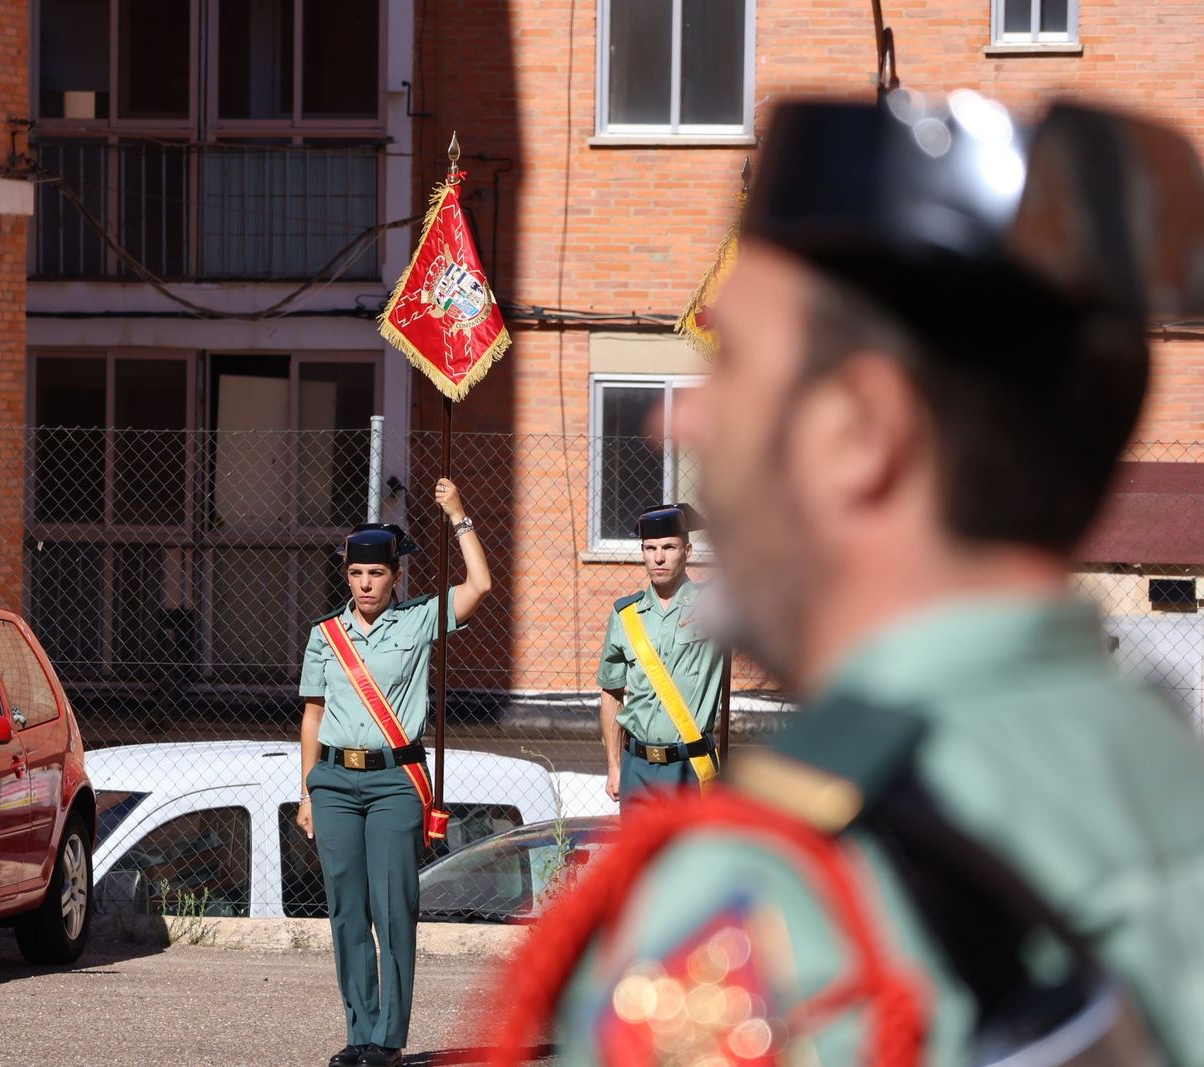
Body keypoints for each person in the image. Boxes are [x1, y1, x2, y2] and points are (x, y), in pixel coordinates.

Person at [483, 91, 1204, 1065]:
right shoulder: (1158, 774)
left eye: (731, 360)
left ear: (859, 433)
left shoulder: (771, 900)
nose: (674, 423)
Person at [296, 479, 491, 1067]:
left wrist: (458, 515)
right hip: (332, 781)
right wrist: (306, 790)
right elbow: (312, 717)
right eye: (356, 574)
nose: (365, 584)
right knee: (346, 908)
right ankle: (359, 1034)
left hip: (393, 784)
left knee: (392, 908)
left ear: (394, 576)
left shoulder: (417, 621)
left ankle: (388, 1038)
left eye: (376, 574)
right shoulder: (325, 635)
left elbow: (480, 585)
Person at [597, 503, 724, 802]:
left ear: (688, 551)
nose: (658, 557)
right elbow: (611, 692)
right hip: (636, 768)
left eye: (668, 547)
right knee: (641, 851)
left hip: (692, 766)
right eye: (650, 548)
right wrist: (614, 767)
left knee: (693, 850)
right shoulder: (625, 614)